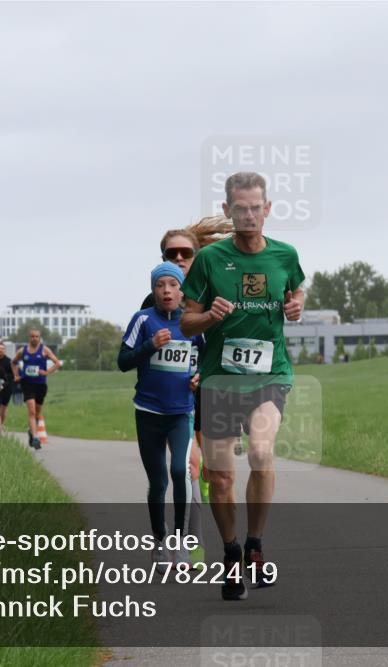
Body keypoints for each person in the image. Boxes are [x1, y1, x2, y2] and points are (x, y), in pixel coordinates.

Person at [181, 172, 306, 601]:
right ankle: (231, 552)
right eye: (240, 208)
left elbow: (297, 290)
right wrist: (209, 316)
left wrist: (296, 305)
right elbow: (186, 322)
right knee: (220, 478)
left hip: (270, 376)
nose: (249, 215)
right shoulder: (210, 260)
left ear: (267, 209)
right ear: (227, 210)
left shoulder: (285, 254)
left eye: (256, 208)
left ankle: (255, 544)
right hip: (219, 379)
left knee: (261, 452)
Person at [140, 217, 233, 565]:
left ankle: (199, 502)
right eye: (171, 253)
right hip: (176, 398)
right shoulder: (152, 301)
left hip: (212, 390)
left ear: (198, 256)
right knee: (188, 465)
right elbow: (145, 352)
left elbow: (226, 344)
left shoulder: (215, 293)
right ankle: (188, 543)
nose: (178, 258)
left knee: (212, 472)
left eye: (185, 252)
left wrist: (204, 372)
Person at [119, 262, 204, 568]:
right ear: (153, 290)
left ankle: (181, 544)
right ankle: (159, 541)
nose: (166, 290)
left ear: (182, 290)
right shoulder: (143, 319)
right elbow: (123, 361)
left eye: (173, 284)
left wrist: (200, 375)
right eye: (160, 285)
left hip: (181, 413)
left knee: (181, 471)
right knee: (158, 483)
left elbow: (206, 358)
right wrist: (150, 345)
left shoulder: (192, 323)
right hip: (148, 412)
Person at [11, 328, 62, 449]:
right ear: (29, 337)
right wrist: (16, 375)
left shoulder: (44, 350)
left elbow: (57, 363)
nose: (34, 338)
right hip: (27, 384)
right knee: (32, 412)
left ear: (39, 338)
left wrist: (47, 372)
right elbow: (13, 362)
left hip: (40, 385)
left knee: (38, 413)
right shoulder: (22, 351)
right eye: (32, 336)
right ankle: (35, 437)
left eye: (36, 336)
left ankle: (31, 431)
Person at [0, 341, 14, 434]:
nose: (0, 350)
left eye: (2, 349)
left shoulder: (9, 361)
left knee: (3, 409)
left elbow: (13, 375)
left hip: (6, 388)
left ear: (5, 350)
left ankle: (1, 425)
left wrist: (4, 377)